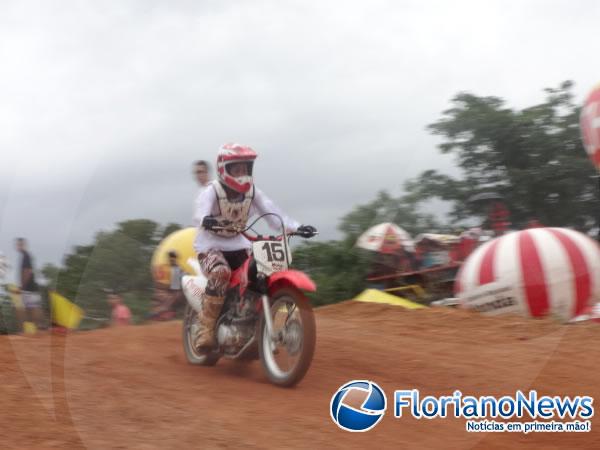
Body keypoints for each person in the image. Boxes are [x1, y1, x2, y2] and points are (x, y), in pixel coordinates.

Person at [192, 143, 316, 350]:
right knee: (221, 272)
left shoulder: (253, 193)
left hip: (240, 243)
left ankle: (248, 318)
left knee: (259, 272)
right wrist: (207, 220)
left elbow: (276, 216)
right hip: (210, 246)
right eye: (236, 168)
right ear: (224, 169)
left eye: (245, 168)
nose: (241, 173)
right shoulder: (211, 191)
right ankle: (205, 330)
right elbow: (199, 214)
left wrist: (298, 227)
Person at [15, 238, 44, 333]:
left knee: (22, 309)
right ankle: (38, 328)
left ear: (24, 245)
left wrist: (22, 287)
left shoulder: (25, 255)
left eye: (20, 244)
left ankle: (25, 330)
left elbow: (27, 271)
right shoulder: (25, 255)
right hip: (32, 287)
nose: (18, 246)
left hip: (28, 287)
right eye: (17, 245)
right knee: (32, 307)